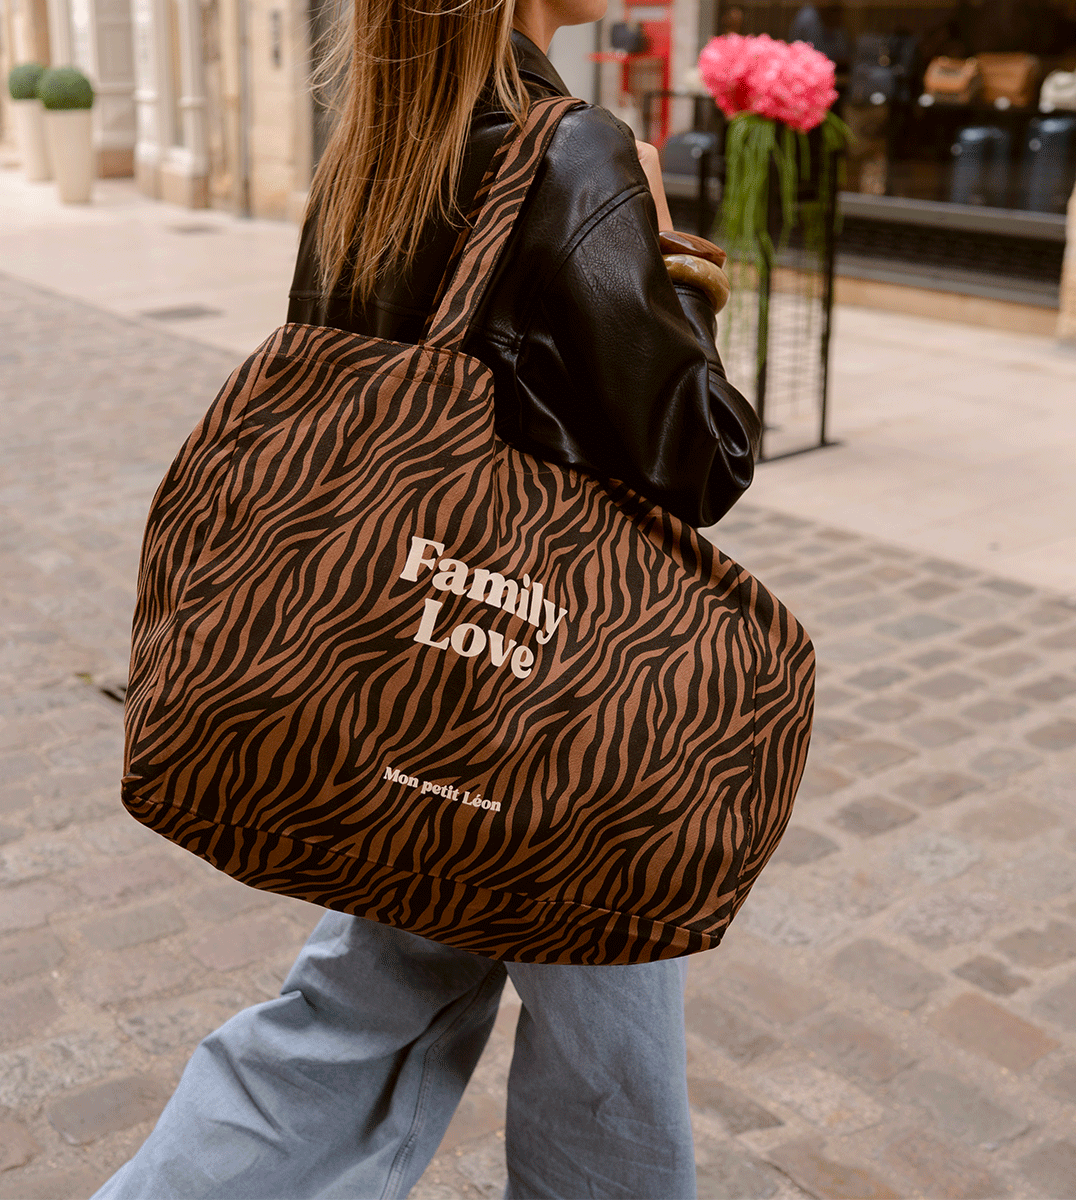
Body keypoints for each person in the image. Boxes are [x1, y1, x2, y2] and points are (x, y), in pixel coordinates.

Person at [93, 0, 760, 1195]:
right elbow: (703, 460)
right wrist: (680, 266)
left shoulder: (381, 146)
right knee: (609, 1059)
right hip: (551, 698)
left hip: (397, 686)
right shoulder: (575, 151)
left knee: (357, 1016)